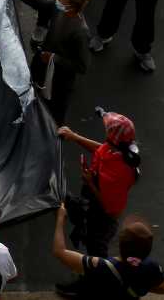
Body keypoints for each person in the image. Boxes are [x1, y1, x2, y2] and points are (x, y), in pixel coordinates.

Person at [56, 111, 141, 267]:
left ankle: (94, 286)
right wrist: (75, 137)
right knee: (91, 246)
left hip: (103, 218)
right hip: (95, 208)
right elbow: (101, 149)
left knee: (97, 254)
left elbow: (111, 209)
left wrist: (90, 182)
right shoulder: (121, 150)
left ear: (113, 138)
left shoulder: (117, 172)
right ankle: (90, 281)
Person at [10, 0, 92, 125]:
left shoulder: (80, 32)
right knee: (34, 90)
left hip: (60, 78)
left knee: (56, 108)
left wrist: (54, 58)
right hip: (42, 64)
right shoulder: (57, 6)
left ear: (72, 4)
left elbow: (82, 66)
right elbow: (39, 2)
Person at [51, 206, 164, 299]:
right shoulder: (151, 268)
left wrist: (60, 217)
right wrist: (143, 288)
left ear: (120, 244)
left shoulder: (100, 266)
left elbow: (59, 251)